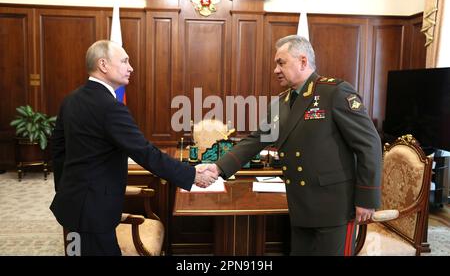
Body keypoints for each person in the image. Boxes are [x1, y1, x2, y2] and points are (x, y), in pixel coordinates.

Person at [210, 35, 382, 256]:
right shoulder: (281, 103)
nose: (275, 70)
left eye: (281, 62)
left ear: (303, 61)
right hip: (301, 206)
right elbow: (257, 139)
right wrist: (218, 167)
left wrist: (367, 199)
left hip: (334, 208)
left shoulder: (334, 92)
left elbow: (369, 144)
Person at [50, 40, 217, 256]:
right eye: (124, 61)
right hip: (94, 213)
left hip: (73, 205)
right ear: (103, 64)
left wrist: (66, 191)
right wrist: (192, 174)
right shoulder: (110, 108)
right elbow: (144, 152)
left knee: (76, 252)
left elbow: (58, 150)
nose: (131, 67)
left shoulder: (70, 100)